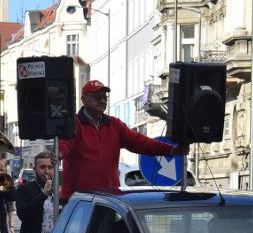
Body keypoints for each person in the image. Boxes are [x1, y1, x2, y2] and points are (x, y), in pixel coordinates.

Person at [58, 80, 187, 204]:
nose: (102, 100)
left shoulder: (114, 125)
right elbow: (65, 143)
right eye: (97, 97)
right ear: (83, 99)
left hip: (107, 200)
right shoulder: (74, 124)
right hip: (78, 201)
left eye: (104, 97)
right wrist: (59, 153)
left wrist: (170, 150)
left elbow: (140, 142)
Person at [15, 151, 55, 233]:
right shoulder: (24, 189)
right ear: (34, 169)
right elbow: (22, 214)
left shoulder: (58, 190)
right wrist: (43, 195)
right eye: (42, 167)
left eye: (50, 167)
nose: (46, 171)